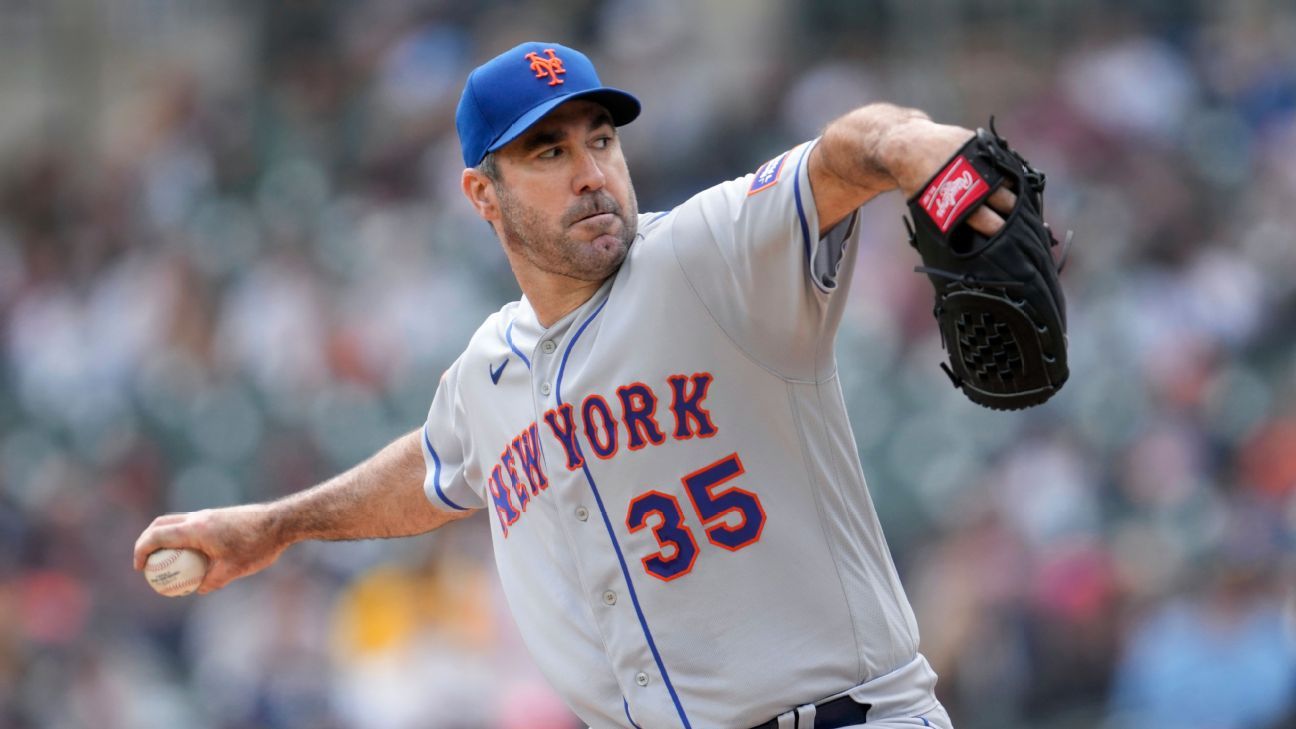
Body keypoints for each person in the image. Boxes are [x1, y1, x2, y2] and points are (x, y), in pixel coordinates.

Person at [134, 41, 1020, 729]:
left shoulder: (706, 256)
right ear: (484, 196)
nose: (591, 170)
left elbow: (843, 152)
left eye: (601, 138)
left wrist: (913, 145)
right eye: (549, 151)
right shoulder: (488, 368)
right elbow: (441, 464)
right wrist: (276, 526)